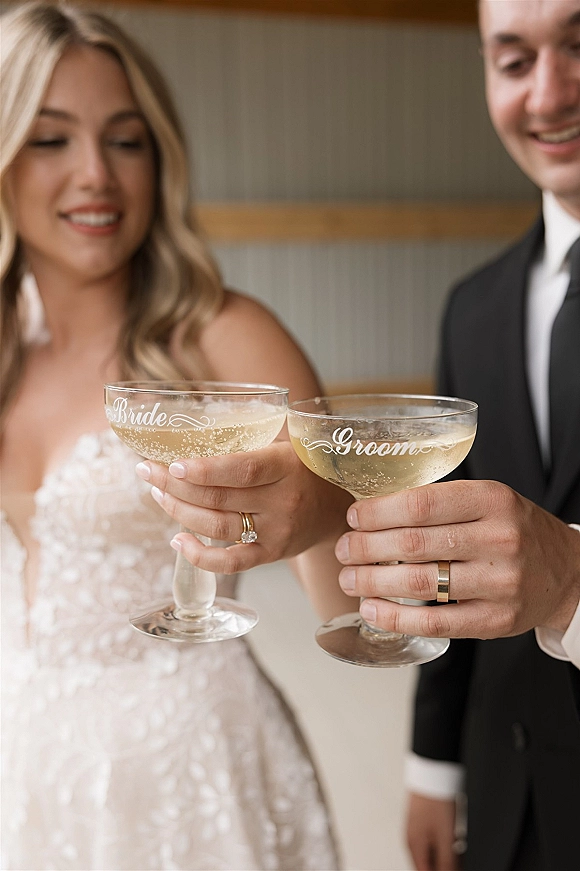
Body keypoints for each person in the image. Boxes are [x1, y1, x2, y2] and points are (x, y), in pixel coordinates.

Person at [0, 3, 353, 869]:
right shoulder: (6, 348)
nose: (96, 175)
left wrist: (329, 513)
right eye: (50, 139)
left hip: (193, 779)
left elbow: (353, 613)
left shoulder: (226, 337)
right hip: (29, 775)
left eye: (126, 140)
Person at [331, 2, 580, 869]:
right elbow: (445, 539)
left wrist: (574, 578)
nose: (550, 94)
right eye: (513, 61)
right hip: (506, 803)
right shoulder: (471, 307)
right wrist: (433, 767)